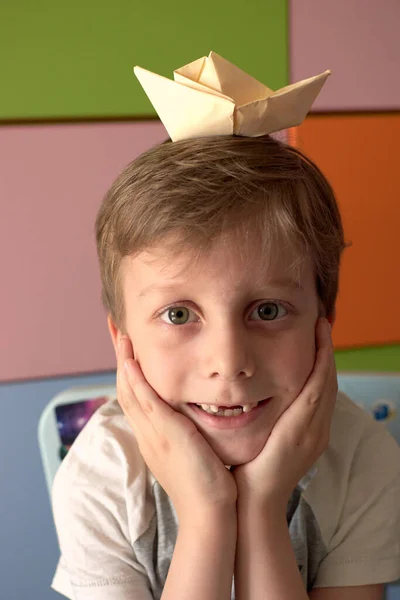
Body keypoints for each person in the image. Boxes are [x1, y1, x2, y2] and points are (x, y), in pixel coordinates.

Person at [51, 53, 400, 600]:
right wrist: (208, 513)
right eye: (179, 314)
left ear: (323, 323)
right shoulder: (103, 475)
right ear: (124, 342)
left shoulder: (364, 459)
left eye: (266, 311)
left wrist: (260, 507)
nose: (228, 361)